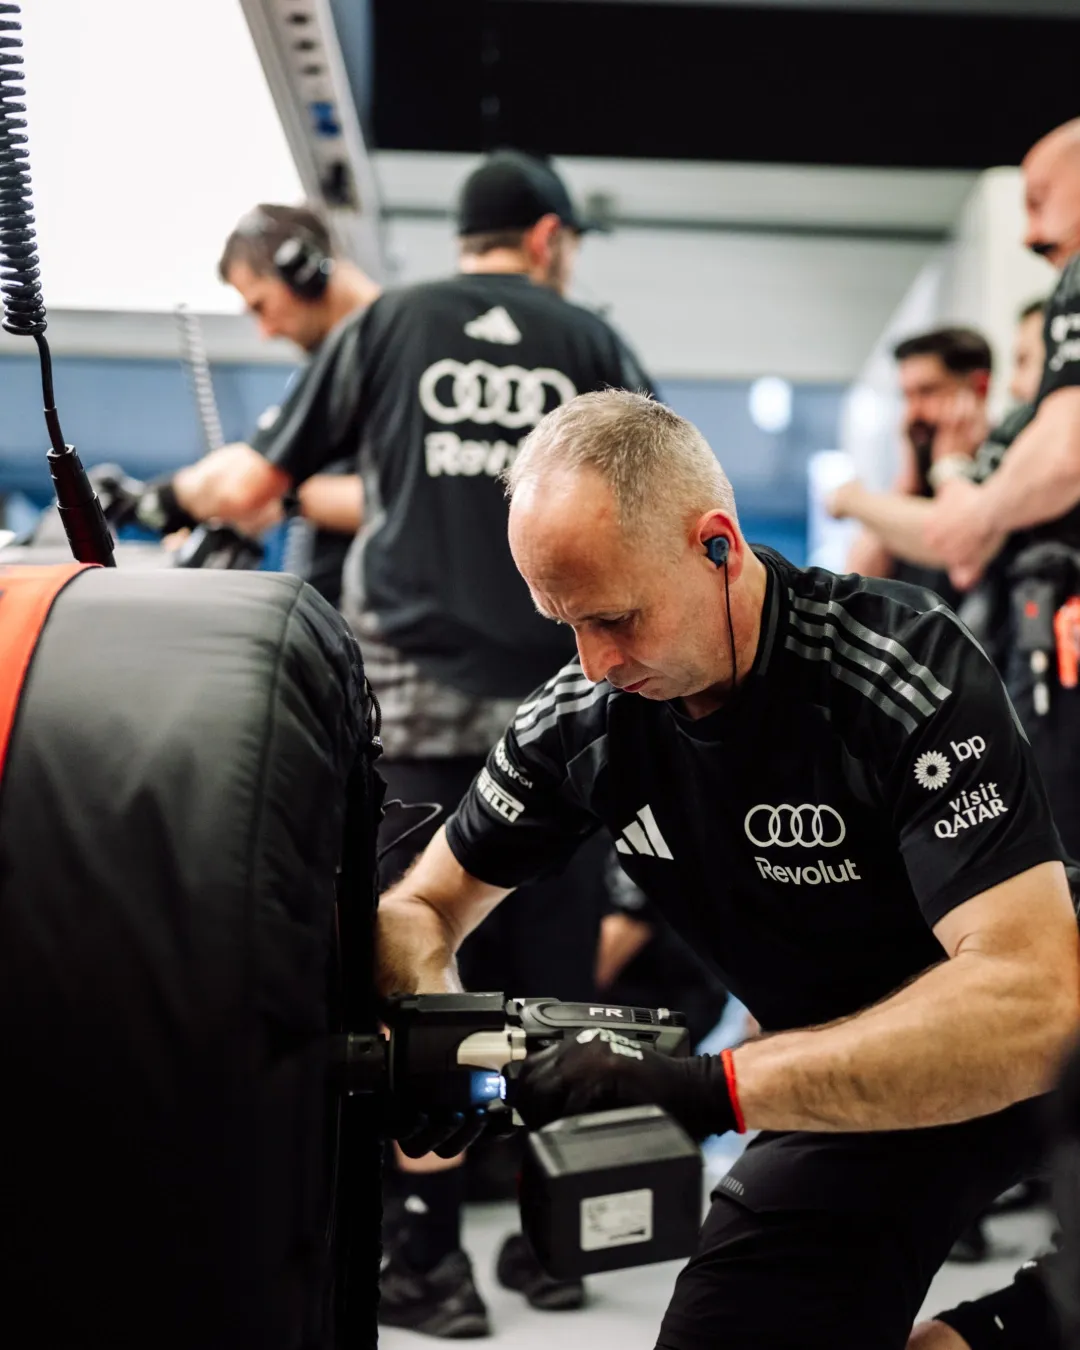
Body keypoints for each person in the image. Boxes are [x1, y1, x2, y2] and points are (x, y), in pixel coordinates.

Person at [376, 388, 1080, 1350]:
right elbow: (420, 906)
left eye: (616, 617)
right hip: (856, 1089)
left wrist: (709, 1088)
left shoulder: (895, 668)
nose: (595, 662)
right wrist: (437, 1041)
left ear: (717, 546)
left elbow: (1035, 1004)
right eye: (564, 623)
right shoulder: (581, 722)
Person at [164, 150, 655, 1335]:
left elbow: (253, 486)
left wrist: (169, 499)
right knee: (551, 977)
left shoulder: (389, 326)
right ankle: (554, 1247)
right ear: (547, 239)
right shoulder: (591, 339)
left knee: (426, 968)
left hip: (418, 701)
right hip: (564, 701)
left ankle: (429, 1261)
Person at [827, 117, 1080, 859]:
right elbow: (867, 571)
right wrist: (916, 474)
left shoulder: (1012, 443)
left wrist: (861, 495)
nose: (1031, 233)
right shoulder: (948, 460)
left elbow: (958, 544)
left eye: (1040, 200)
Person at [135, 203, 377, 603]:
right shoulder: (335, 364)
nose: (265, 332)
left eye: (261, 306)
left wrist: (280, 494)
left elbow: (406, 498)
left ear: (304, 273)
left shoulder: (383, 354)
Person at [846, 326, 993, 607]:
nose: (913, 413)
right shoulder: (918, 476)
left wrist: (850, 501)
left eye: (927, 392)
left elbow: (964, 565)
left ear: (980, 388)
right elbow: (857, 584)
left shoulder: (1002, 469)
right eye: (907, 396)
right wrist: (907, 481)